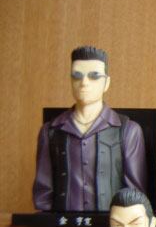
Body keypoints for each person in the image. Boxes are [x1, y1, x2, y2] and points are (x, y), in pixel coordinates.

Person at [33, 46, 147, 211]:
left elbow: (135, 195)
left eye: (94, 76)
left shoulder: (128, 131)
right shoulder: (50, 131)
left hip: (110, 224)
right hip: (63, 224)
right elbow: (43, 193)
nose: (84, 83)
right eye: (77, 76)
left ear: (106, 83)